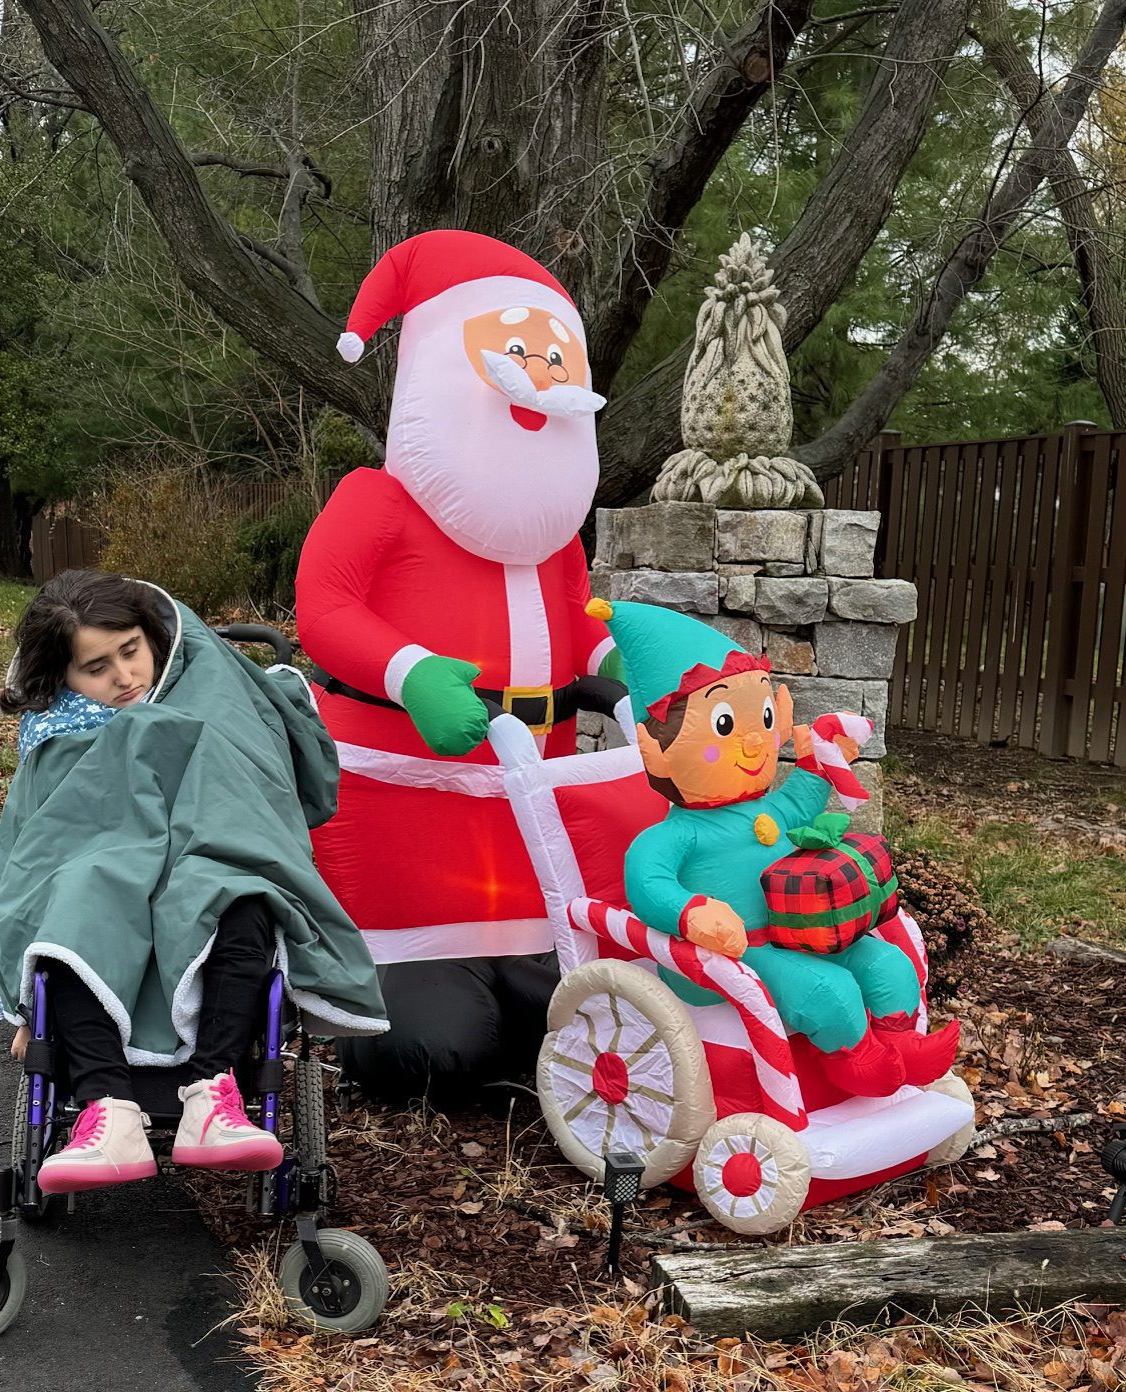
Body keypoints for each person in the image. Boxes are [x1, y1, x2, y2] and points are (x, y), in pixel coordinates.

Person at [295, 230, 623, 1108]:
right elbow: (323, 609)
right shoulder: (377, 501)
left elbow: (578, 627)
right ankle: (403, 985)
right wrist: (410, 673)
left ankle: (516, 975)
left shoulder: (553, 534)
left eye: (555, 355)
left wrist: (618, 661)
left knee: (562, 1006)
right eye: (517, 352)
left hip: (526, 815)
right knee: (428, 1042)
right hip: (404, 814)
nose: (542, 376)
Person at [0, 570, 386, 1194]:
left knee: (246, 896)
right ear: (61, 675)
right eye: (96, 668)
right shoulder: (56, 739)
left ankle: (212, 1093)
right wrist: (22, 1005)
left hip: (206, 857)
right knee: (68, 902)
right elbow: (28, 856)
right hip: (104, 868)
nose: (123, 677)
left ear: (153, 637)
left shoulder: (209, 693)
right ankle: (107, 1112)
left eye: (130, 651)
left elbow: (250, 789)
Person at [596, 598, 959, 1097]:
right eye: (725, 727)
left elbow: (797, 804)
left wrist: (818, 764)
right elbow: (647, 879)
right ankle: (854, 1063)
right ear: (658, 749)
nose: (752, 743)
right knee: (827, 991)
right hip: (738, 952)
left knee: (884, 963)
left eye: (763, 720)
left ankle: (900, 1046)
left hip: (799, 929)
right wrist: (690, 912)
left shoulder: (763, 808)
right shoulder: (678, 834)